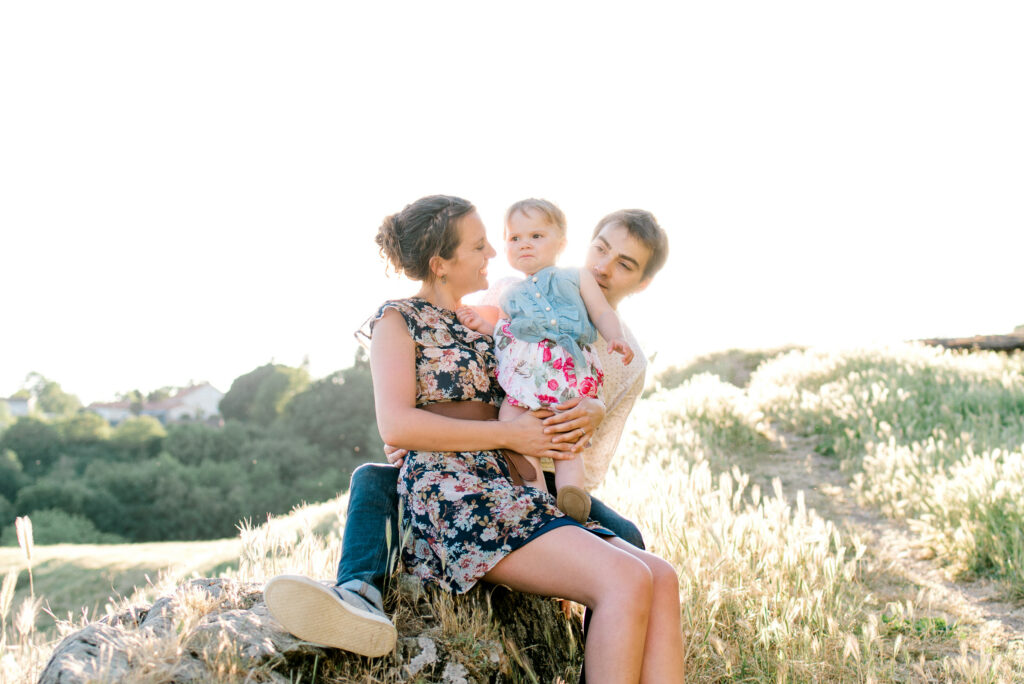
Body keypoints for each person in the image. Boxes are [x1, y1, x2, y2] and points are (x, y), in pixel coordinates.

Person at [265, 199, 679, 681]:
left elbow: (543, 385)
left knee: (661, 577)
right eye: (481, 245)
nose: (495, 253)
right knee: (626, 578)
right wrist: (487, 432)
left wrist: (591, 406)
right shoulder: (401, 320)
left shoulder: (494, 323)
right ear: (441, 264)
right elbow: (397, 426)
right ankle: (358, 590)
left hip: (517, 479)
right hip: (457, 487)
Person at [456, 198, 634, 523]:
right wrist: (481, 325)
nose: (525, 244)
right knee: (512, 419)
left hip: (565, 370)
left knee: (565, 434)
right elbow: (505, 332)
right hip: (526, 378)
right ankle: (535, 493)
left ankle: (571, 494)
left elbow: (601, 311)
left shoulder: (577, 277)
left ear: (562, 243)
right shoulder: (509, 293)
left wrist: (615, 337)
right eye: (515, 238)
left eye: (536, 236)